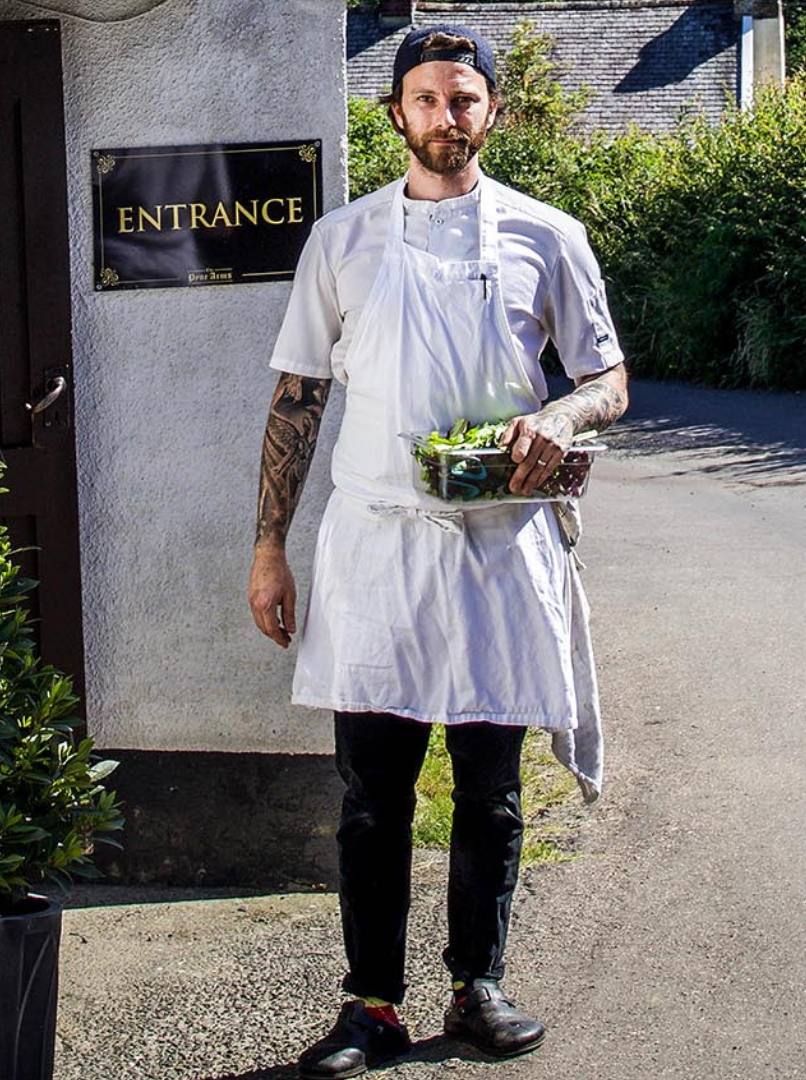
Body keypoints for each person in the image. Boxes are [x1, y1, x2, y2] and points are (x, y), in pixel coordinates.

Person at [247, 23, 628, 1080]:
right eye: (426, 98)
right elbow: (296, 399)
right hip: (376, 550)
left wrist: (563, 416)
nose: (445, 116)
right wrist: (269, 548)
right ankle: (370, 1006)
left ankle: (478, 987)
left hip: (500, 546)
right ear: (396, 114)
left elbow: (607, 378)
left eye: (464, 98)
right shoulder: (342, 241)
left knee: (490, 789)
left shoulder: (549, 235)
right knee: (373, 794)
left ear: (493, 111)